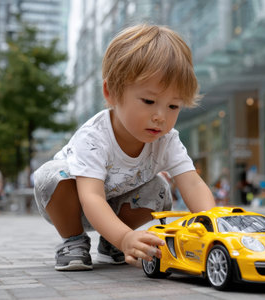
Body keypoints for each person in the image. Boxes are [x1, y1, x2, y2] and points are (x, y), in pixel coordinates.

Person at [33, 24, 216, 272]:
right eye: (149, 101)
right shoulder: (94, 137)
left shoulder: (167, 140)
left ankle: (111, 244)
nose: (160, 116)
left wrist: (216, 227)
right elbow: (92, 197)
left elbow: (192, 183)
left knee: (160, 188)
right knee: (51, 174)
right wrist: (125, 237)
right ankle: (74, 241)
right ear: (111, 93)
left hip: (119, 206)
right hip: (73, 204)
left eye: (173, 106)